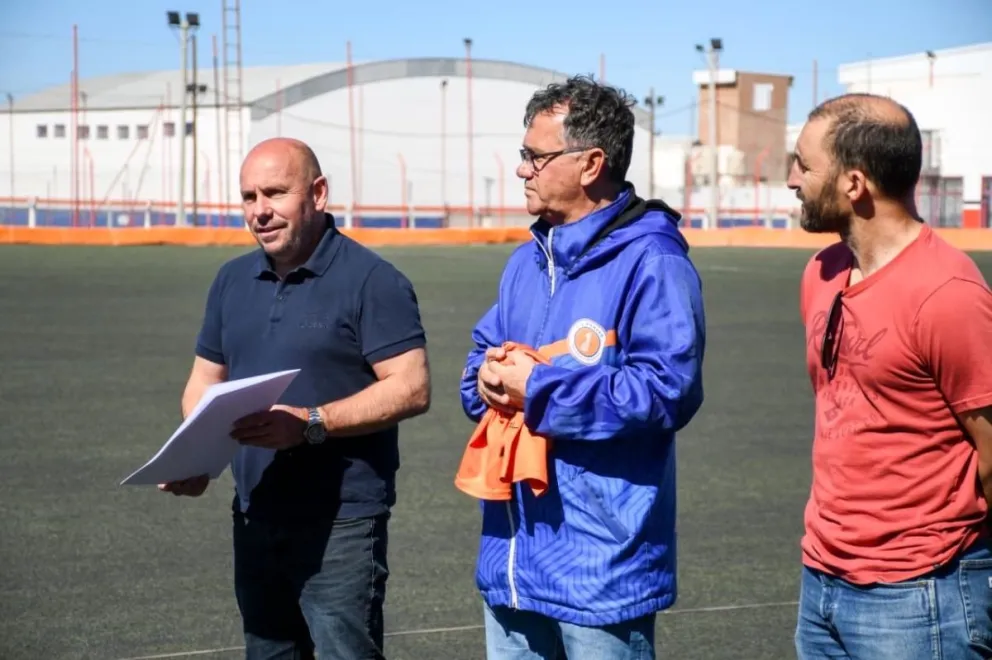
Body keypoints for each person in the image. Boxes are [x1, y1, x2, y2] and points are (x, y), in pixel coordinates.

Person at [458, 75, 706, 659]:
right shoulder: (526, 262)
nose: (523, 170)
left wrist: (538, 387)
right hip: (512, 564)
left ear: (591, 162)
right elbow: (480, 355)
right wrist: (486, 380)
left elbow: (667, 389)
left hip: (601, 572)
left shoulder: (654, 261)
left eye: (534, 157)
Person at [160, 137, 432, 660]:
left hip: (340, 524)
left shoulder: (373, 280)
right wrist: (196, 454)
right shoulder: (231, 280)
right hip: (254, 513)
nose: (259, 210)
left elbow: (412, 385)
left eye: (275, 193)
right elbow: (203, 382)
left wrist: (311, 422)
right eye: (248, 196)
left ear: (319, 193)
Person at [789, 93, 992, 659]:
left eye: (804, 166)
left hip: (922, 596)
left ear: (854, 184)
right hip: (821, 580)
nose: (790, 180)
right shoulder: (821, 273)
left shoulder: (948, 295)